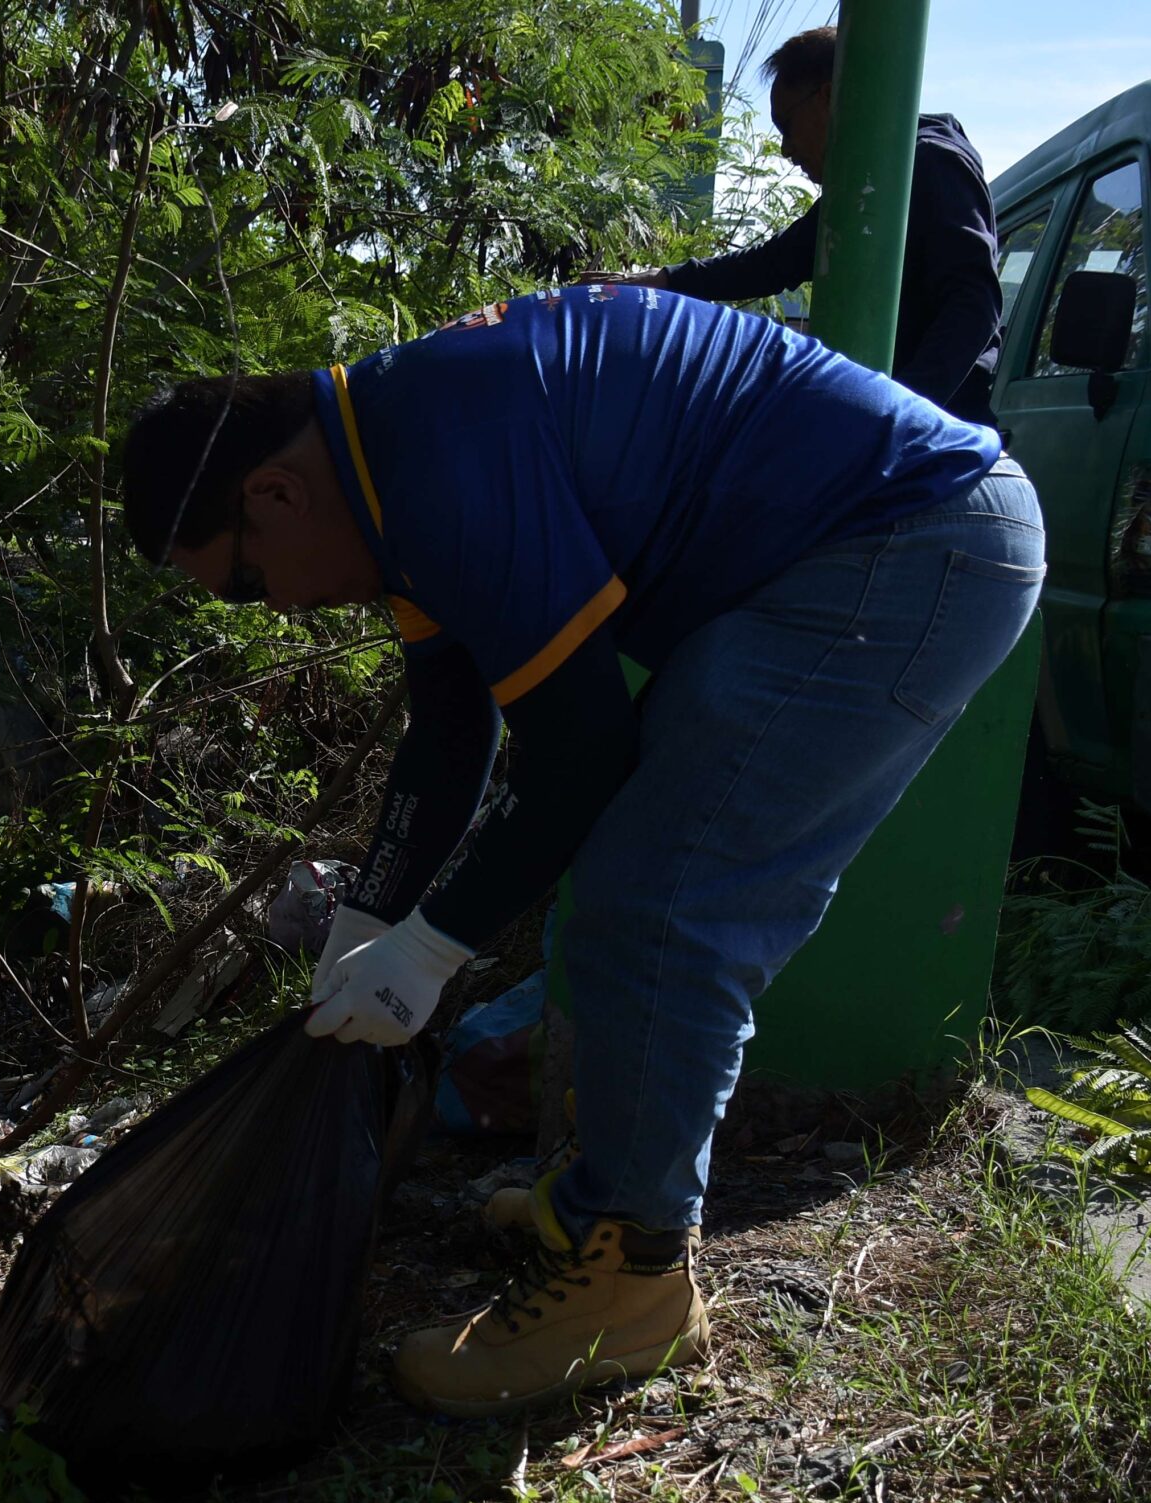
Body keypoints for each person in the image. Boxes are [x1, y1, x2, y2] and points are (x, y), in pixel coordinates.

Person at [120, 284, 1042, 1419]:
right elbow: (449, 732)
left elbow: (578, 753)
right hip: (859, 548)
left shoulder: (436, 459)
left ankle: (631, 1281)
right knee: (624, 881)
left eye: (250, 584)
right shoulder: (386, 457)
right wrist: (369, 919)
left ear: (273, 492)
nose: (280, 608)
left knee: (662, 901)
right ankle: (606, 1201)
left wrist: (429, 949)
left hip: (909, 543)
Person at [620, 27, 1004, 425]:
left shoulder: (930, 164)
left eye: (786, 125)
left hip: (942, 435)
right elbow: (773, 263)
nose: (785, 149)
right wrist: (664, 279)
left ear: (828, 97)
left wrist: (899, 413)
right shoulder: (863, 183)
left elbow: (974, 302)